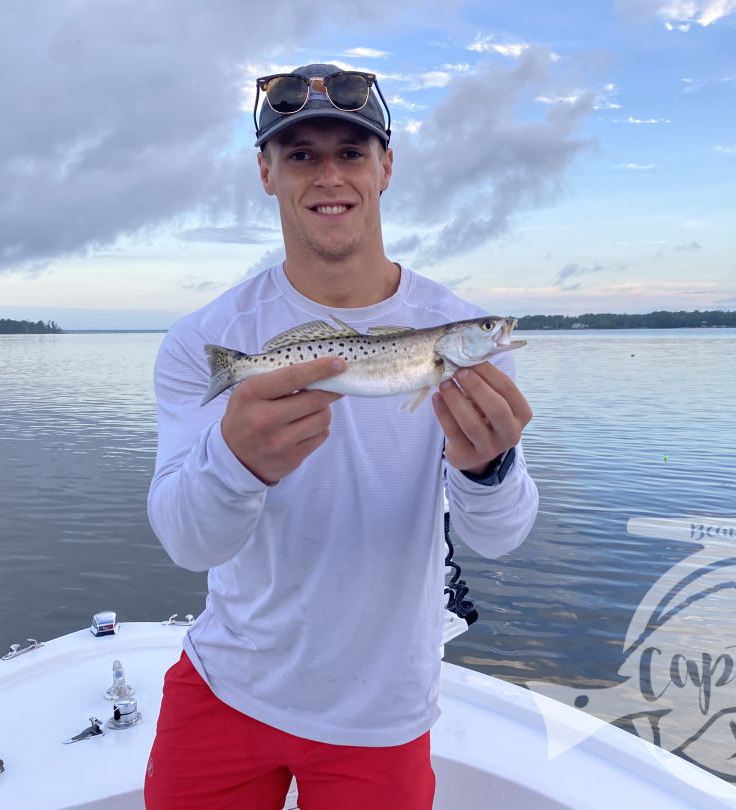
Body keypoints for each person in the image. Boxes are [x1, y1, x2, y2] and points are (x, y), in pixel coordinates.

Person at [144, 63, 538, 810]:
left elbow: (502, 537)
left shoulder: (461, 333)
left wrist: (490, 469)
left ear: (385, 167)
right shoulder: (206, 341)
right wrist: (234, 465)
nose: (329, 174)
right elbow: (186, 543)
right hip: (225, 684)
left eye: (351, 152)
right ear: (266, 172)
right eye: (300, 154)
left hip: (382, 712)